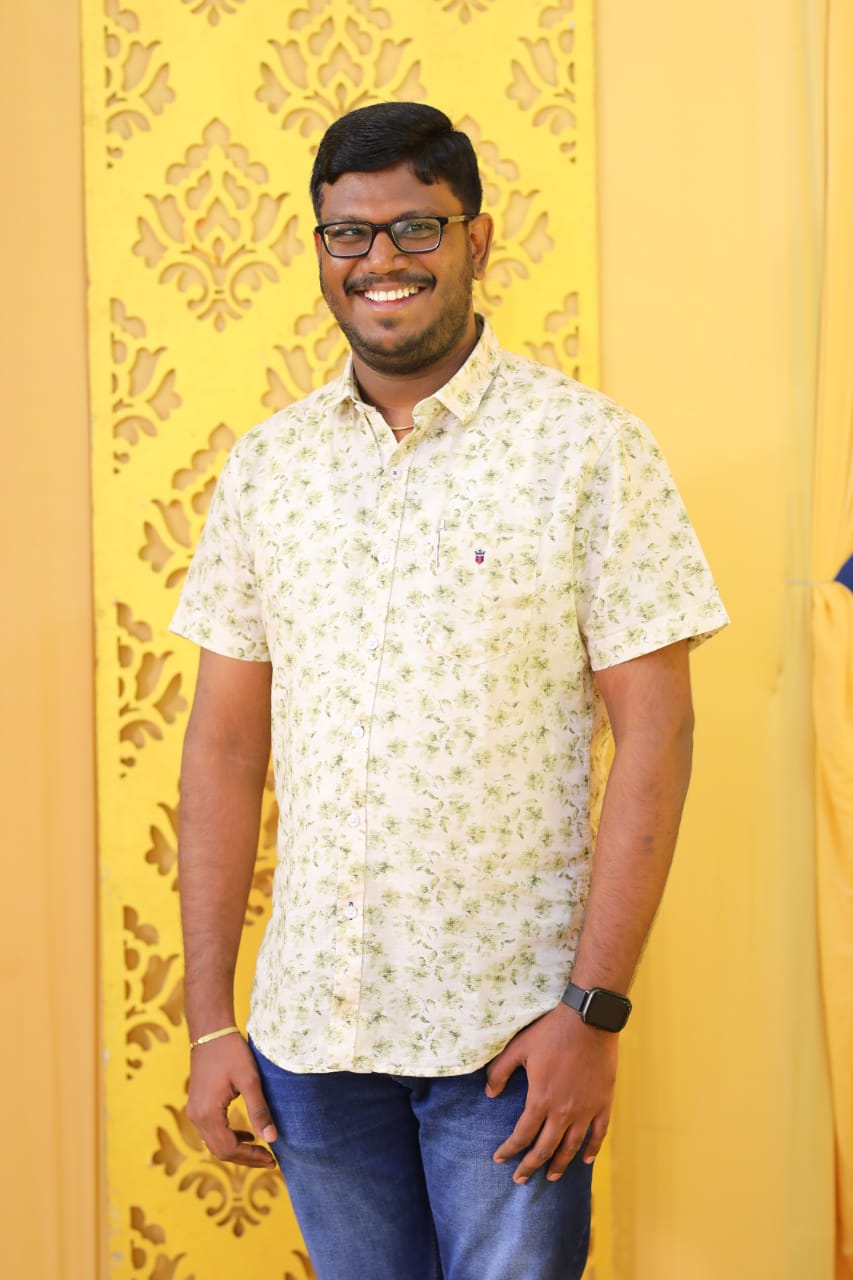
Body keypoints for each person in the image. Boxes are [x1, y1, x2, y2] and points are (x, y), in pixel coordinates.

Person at [171, 101, 728, 1280]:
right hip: (313, 1037)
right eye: (349, 234)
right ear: (320, 249)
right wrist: (213, 1019)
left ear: (476, 238)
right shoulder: (269, 469)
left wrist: (593, 1011)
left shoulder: (588, 450)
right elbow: (222, 749)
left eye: (415, 227)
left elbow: (658, 733)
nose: (380, 259)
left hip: (512, 1040)